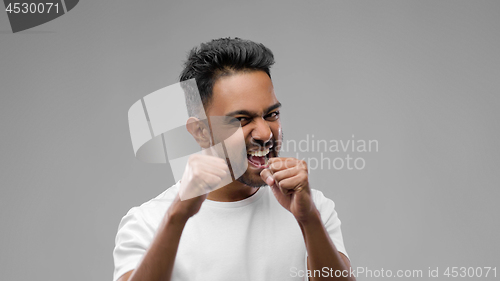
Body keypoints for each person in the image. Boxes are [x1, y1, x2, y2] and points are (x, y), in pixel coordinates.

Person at [113, 37, 355, 281]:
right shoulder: (147, 223)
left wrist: (308, 219)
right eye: (241, 119)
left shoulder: (314, 208)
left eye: (271, 114)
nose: (264, 133)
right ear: (201, 132)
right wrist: (177, 218)